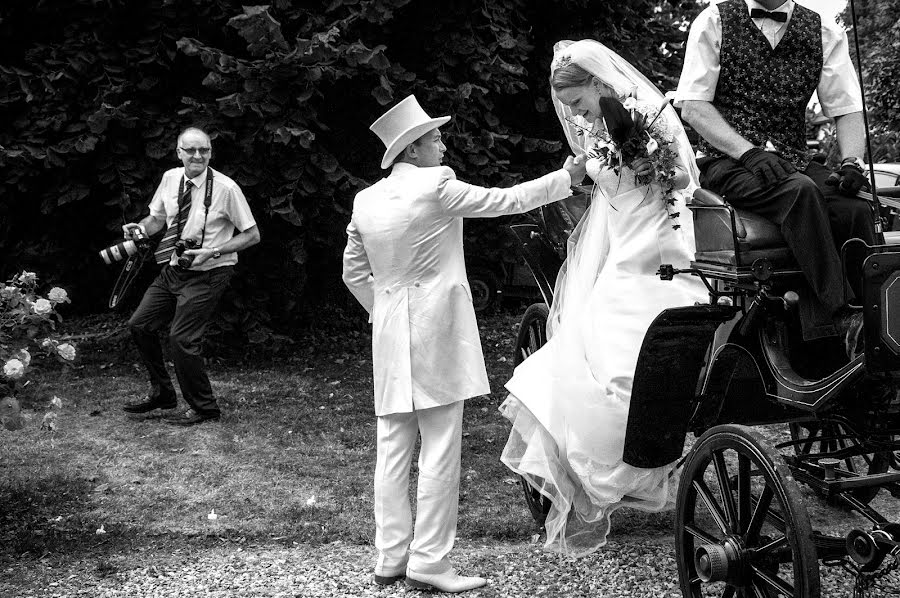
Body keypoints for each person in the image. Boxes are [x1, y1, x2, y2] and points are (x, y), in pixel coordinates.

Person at [342, 95, 586, 592]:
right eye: (433, 137)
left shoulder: (365, 200)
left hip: (389, 336)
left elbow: (352, 271)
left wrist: (384, 311)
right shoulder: (436, 184)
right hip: (436, 332)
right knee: (439, 446)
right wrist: (566, 179)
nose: (441, 141)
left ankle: (389, 557)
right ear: (412, 150)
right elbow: (506, 201)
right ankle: (429, 561)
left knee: (392, 448)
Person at [499, 39, 709, 556]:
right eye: (568, 107)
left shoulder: (650, 115)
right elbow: (594, 178)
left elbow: (685, 177)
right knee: (597, 352)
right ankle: (606, 467)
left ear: (597, 83)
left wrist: (653, 162)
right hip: (621, 249)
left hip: (659, 244)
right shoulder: (595, 132)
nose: (573, 114)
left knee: (628, 355)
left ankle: (641, 458)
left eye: (577, 102)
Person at [675, 0, 875, 355]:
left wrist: (851, 163)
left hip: (792, 158)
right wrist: (748, 152)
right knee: (799, 192)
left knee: (853, 206)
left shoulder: (823, 30)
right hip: (728, 160)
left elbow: (847, 109)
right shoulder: (714, 21)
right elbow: (693, 106)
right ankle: (843, 315)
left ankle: (876, 319)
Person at [121, 127, 260, 426]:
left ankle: (205, 408)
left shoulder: (226, 188)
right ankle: (163, 394)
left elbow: (252, 235)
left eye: (204, 151)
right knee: (140, 325)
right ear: (179, 152)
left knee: (182, 338)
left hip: (209, 273)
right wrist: (141, 229)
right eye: (191, 150)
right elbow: (157, 218)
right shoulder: (171, 178)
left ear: (211, 152)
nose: (198, 156)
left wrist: (214, 250)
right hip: (174, 268)